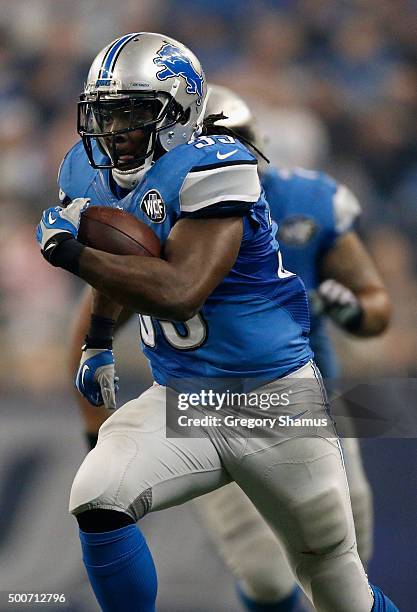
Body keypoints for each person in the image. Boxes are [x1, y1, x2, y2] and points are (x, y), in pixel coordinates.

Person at [36, 32, 397, 612]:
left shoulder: (220, 168)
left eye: (133, 113)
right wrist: (99, 340)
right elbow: (129, 262)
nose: (116, 132)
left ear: (179, 113)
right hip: (183, 400)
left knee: (335, 583)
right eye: (107, 114)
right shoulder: (88, 171)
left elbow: (180, 291)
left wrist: (71, 251)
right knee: (98, 493)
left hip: (275, 400)